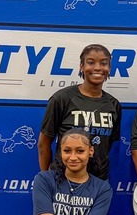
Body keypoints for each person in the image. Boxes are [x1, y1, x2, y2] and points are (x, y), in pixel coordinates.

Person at [37, 44, 122, 179]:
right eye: (91, 62)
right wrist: (47, 178)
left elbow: (108, 144)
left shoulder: (114, 105)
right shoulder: (62, 98)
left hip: (98, 181)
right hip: (63, 179)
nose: (98, 68)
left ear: (109, 68)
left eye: (104, 63)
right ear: (81, 66)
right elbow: (44, 143)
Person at [32, 130, 112, 215]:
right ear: (61, 152)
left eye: (80, 151)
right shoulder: (44, 180)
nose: (73, 157)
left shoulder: (102, 188)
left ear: (91, 151)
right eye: (67, 151)